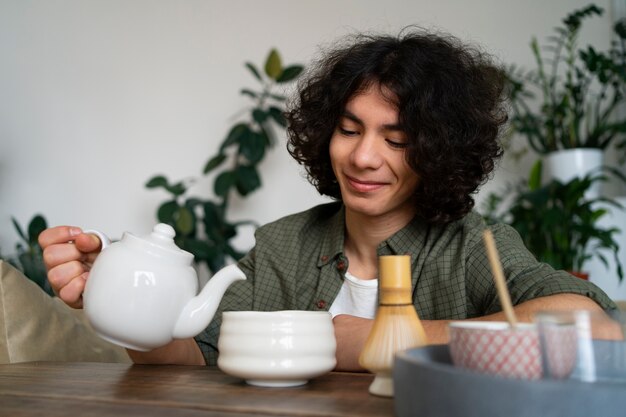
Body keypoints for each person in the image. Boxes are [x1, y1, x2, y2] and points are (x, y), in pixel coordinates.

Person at [39, 27, 616, 371]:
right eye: (348, 129)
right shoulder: (285, 244)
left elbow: (594, 330)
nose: (364, 158)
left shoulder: (473, 245)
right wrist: (115, 295)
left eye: (398, 140)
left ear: (439, 152)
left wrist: (366, 342)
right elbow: (193, 353)